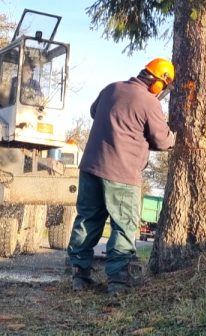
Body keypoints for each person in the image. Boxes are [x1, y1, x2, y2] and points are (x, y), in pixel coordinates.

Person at [67, 57, 175, 295]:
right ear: (159, 83)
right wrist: (175, 136)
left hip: (90, 167)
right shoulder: (149, 102)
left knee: (87, 219)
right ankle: (118, 281)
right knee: (124, 225)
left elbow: (94, 112)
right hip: (122, 172)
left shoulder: (111, 88)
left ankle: (78, 274)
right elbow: (163, 140)